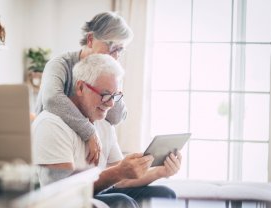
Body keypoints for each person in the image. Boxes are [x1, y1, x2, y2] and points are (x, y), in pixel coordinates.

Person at [32, 54, 182, 208]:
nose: (110, 104)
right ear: (80, 87)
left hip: (97, 192)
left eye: (114, 95)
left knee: (165, 194)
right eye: (104, 95)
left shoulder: (103, 122)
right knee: (123, 202)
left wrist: (160, 172)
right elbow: (64, 191)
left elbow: (121, 180)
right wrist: (119, 172)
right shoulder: (51, 124)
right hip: (64, 201)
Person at [35, 11, 133, 166]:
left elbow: (116, 117)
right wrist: (89, 132)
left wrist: (112, 85)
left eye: (120, 49)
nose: (115, 55)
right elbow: (52, 99)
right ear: (90, 39)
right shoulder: (60, 64)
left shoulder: (111, 71)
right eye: (111, 46)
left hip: (83, 155)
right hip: (54, 145)